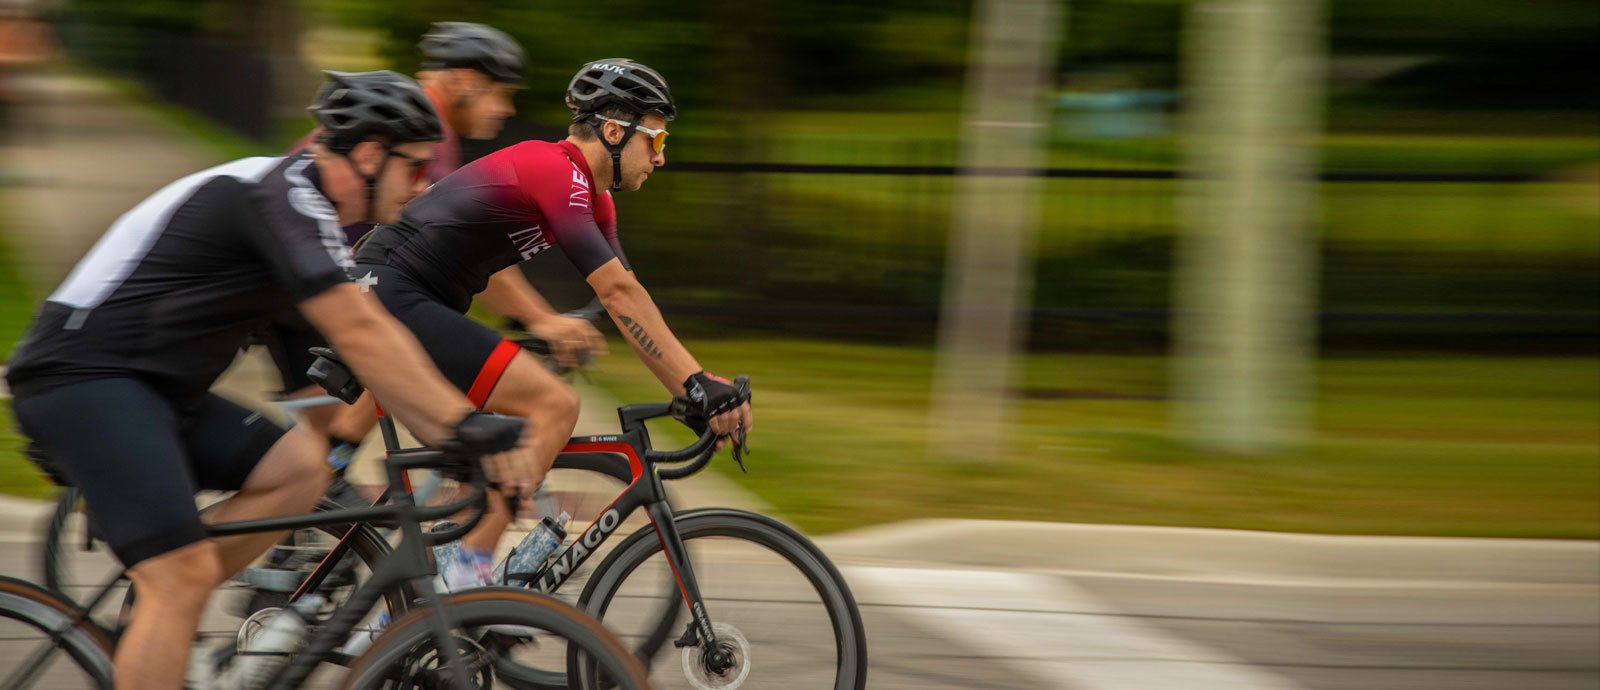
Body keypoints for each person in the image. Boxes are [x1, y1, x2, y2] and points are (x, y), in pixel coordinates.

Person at [4, 70, 537, 690]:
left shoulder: (316, 227)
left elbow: (313, 370)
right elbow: (363, 331)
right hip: (82, 379)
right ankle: (167, 593)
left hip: (155, 391)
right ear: (368, 154)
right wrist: (462, 424)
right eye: (415, 167)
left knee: (299, 469)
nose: (423, 185)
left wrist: (350, 451)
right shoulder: (278, 197)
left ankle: (161, 609)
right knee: (177, 577)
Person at [353, 58, 752, 590]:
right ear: (614, 131)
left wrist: (690, 388)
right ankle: (463, 582)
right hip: (391, 294)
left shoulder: (593, 199)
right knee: (551, 406)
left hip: (412, 299)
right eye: (655, 141)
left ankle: (418, 596)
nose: (660, 158)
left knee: (493, 444)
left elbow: (623, 302)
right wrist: (698, 385)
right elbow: (618, 292)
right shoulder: (554, 170)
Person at [268, 22, 558, 458]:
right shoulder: (424, 135)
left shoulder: (416, 124)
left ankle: (331, 474)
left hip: (302, 279)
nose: (507, 109)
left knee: (325, 454)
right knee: (404, 354)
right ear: (464, 81)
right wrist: (541, 318)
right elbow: (455, 241)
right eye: (501, 92)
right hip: (305, 285)